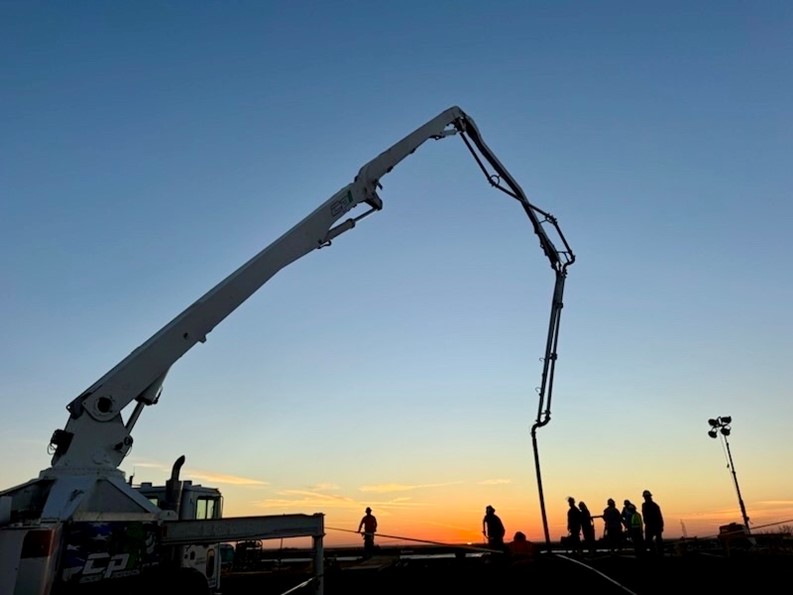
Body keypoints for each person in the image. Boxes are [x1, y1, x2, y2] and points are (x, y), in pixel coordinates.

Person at [641, 489, 664, 555]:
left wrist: (661, 526)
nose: (645, 498)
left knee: (654, 541)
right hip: (652, 525)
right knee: (651, 541)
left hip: (654, 525)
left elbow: (659, 516)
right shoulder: (650, 505)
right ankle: (655, 552)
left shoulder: (652, 505)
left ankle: (656, 553)